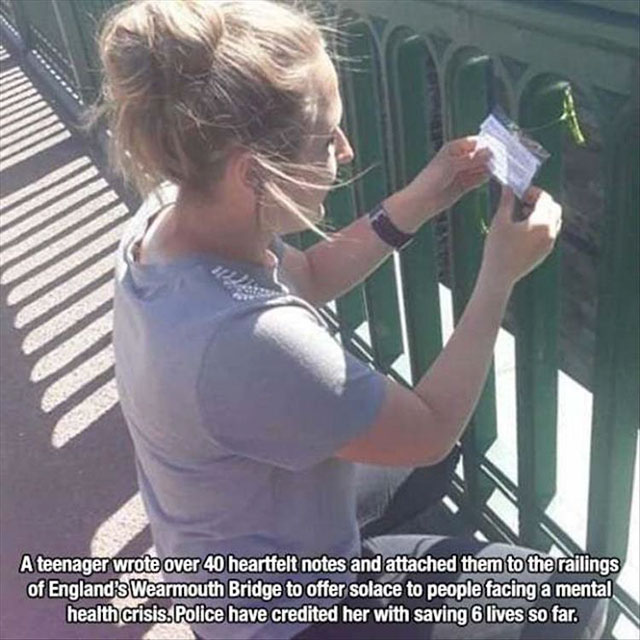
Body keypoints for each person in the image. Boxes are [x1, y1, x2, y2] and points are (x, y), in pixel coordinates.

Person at [85, 0, 609, 638]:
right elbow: (428, 430)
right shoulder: (247, 340)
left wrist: (427, 194)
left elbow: (305, 276)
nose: (345, 147)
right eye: (326, 135)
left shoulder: (172, 211)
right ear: (254, 173)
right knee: (573, 601)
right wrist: (499, 271)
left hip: (224, 552)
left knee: (439, 457)